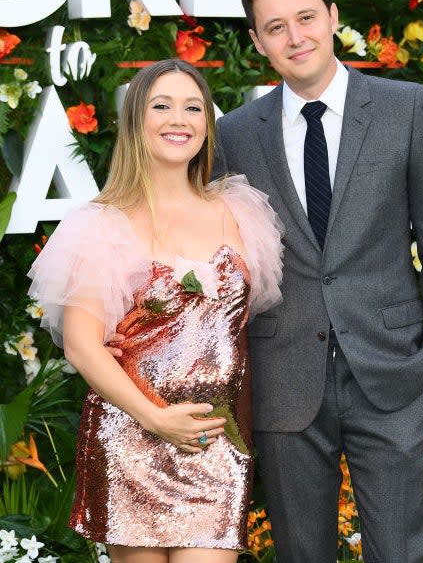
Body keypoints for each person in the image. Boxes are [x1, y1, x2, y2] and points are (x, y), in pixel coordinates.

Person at [213, 0, 423, 563]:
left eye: (305, 17)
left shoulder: (403, 108)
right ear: (259, 42)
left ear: (331, 16)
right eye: (276, 27)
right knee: (302, 553)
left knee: (400, 552)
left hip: (397, 378)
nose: (295, 36)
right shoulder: (236, 134)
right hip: (284, 383)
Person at [27, 58, 283, 563]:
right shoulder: (101, 223)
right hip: (131, 433)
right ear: (136, 121)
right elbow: (82, 345)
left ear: (207, 124)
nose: (178, 119)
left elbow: (241, 331)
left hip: (212, 441)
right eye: (160, 106)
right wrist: (154, 416)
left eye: (193, 107)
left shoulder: (241, 211)